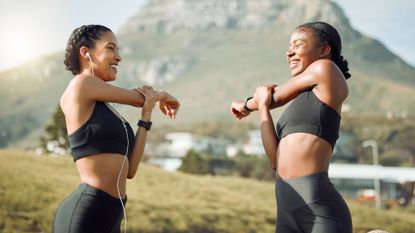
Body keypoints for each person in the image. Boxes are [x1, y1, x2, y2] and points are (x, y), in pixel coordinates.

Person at [53, 24, 180, 233]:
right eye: (111, 48)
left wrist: (146, 116)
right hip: (86, 215)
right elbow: (137, 99)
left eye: (118, 50)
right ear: (86, 53)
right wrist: (162, 95)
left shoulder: (106, 109)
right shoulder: (81, 85)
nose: (118, 57)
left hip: (112, 216)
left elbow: (130, 170)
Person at [231, 21, 352, 233]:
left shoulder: (326, 69)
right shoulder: (299, 107)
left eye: (298, 45)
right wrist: (261, 107)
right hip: (286, 209)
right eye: (289, 48)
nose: (290, 54)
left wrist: (246, 104)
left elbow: (276, 96)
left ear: (324, 50)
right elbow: (275, 162)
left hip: (321, 210)